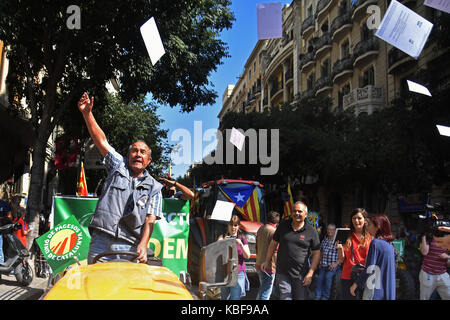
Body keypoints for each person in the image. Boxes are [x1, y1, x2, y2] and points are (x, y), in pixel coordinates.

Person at [78, 92, 163, 264]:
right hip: (101, 240)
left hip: (130, 246)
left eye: (142, 152)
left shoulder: (155, 187)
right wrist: (87, 114)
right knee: (94, 288)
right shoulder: (118, 165)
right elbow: (101, 141)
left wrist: (143, 243)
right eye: (134, 150)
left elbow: (150, 219)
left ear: (148, 161)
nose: (138, 154)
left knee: (125, 290)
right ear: (128, 154)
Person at [261, 201, 321, 300]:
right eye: (294, 211)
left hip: (301, 274)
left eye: (300, 211)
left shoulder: (311, 231)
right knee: (285, 297)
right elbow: (273, 244)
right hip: (282, 272)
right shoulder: (283, 225)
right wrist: (267, 260)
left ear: (305, 215)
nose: (297, 213)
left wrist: (310, 273)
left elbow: (316, 253)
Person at [350, 214, 396, 300]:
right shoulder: (389, 245)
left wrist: (355, 284)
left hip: (375, 291)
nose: (367, 227)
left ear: (377, 226)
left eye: (370, 224)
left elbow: (370, 268)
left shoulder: (375, 243)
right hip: (387, 291)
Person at [335, 208, 372, 300]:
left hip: (364, 276)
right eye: (354, 218)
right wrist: (339, 248)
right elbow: (342, 259)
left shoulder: (370, 236)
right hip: (348, 275)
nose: (356, 221)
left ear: (365, 219)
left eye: (359, 218)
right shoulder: (346, 234)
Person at [218, 215, 251, 300]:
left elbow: (247, 256)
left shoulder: (242, 239)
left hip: (238, 273)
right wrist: (224, 241)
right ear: (228, 226)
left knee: (235, 298)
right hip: (225, 273)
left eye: (235, 225)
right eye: (231, 225)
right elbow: (216, 251)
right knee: (224, 298)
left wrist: (240, 244)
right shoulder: (222, 237)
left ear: (238, 226)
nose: (233, 227)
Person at [255, 210, 280, 300]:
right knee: (265, 293)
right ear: (277, 221)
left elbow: (256, 246)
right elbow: (276, 250)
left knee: (262, 290)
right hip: (269, 265)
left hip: (258, 263)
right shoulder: (274, 232)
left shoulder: (261, 228)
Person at [419, 231, 450, 300]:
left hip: (442, 274)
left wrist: (447, 256)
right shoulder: (429, 238)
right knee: (424, 298)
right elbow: (424, 252)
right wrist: (423, 236)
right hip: (428, 273)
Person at [314, 223, 341, 300]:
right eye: (328, 229)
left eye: (332, 230)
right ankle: (317, 296)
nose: (330, 231)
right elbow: (321, 252)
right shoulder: (324, 240)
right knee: (320, 279)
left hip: (333, 265)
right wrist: (319, 262)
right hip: (324, 264)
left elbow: (341, 256)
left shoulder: (338, 241)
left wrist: (336, 264)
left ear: (335, 231)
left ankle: (325, 297)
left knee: (328, 278)